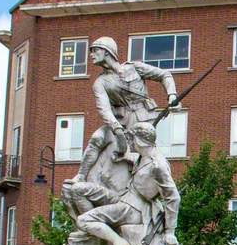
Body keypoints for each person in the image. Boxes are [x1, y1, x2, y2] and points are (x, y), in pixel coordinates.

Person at [74, 36, 178, 176]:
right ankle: (80, 176)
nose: (91, 55)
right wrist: (117, 129)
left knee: (145, 157)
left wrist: (172, 95)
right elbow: (104, 109)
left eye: (95, 50)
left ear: (106, 51)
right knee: (97, 138)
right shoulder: (100, 83)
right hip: (120, 121)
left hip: (144, 118)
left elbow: (164, 75)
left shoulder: (134, 67)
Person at [77, 122, 180, 245]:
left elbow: (173, 197)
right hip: (124, 199)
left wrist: (170, 231)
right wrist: (125, 157)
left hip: (134, 209)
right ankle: (102, 234)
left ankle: (119, 243)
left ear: (139, 140)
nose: (130, 143)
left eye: (131, 139)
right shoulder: (143, 156)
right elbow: (138, 160)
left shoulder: (158, 166)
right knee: (80, 190)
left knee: (83, 220)